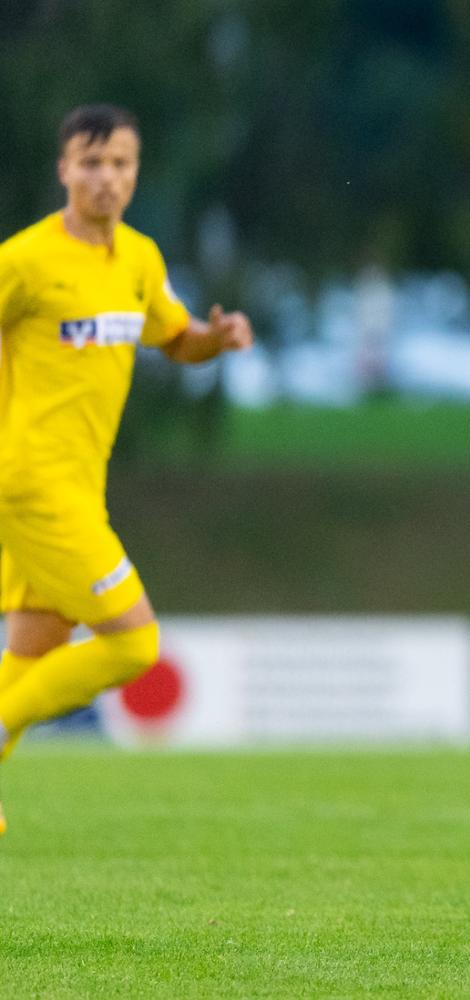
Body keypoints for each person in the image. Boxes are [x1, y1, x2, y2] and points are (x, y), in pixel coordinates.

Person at [0, 105, 255, 834]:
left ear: (136, 172)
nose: (106, 178)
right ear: (64, 170)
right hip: (33, 482)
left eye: (120, 164)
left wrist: (215, 338)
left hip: (81, 486)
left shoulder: (139, 260)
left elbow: (174, 338)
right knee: (135, 643)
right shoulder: (24, 260)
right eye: (91, 163)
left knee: (37, 648)